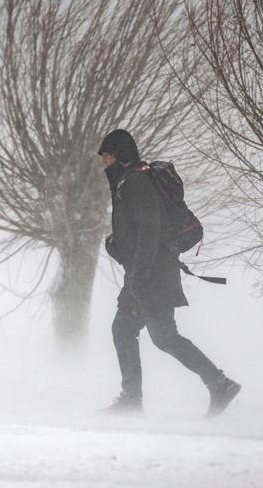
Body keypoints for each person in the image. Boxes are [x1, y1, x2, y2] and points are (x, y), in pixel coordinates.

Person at [97, 128, 240, 417]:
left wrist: (140, 272)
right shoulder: (127, 182)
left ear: (120, 155)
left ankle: (218, 384)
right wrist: (118, 244)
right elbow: (138, 230)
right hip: (145, 271)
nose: (104, 161)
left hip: (151, 274)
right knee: (133, 331)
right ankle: (134, 398)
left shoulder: (135, 182)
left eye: (108, 155)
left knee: (159, 336)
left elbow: (151, 229)